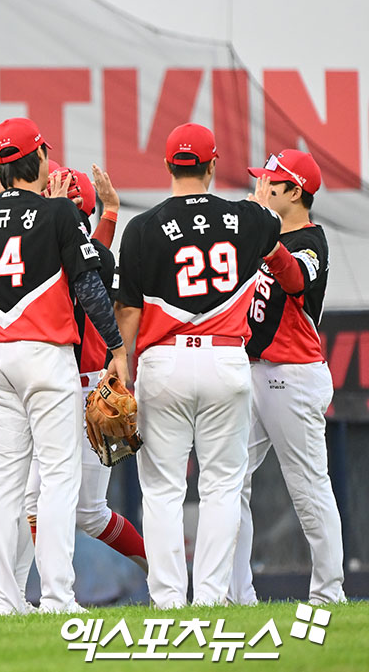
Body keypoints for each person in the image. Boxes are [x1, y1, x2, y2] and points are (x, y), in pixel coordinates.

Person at [114, 122, 282, 609]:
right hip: (226, 360)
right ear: (211, 166)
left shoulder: (143, 227)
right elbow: (272, 228)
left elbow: (129, 309)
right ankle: (210, 598)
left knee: (163, 489)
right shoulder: (248, 219)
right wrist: (255, 204)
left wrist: (119, 362)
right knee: (223, 486)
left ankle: (168, 600)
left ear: (168, 165)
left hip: (163, 362)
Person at [0, 117, 127, 615]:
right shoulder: (59, 214)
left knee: (6, 481)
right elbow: (89, 284)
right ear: (38, 158)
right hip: (44, 354)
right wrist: (117, 347)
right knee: (59, 477)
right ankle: (58, 597)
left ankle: (1, 597)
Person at [230, 149, 344, 606]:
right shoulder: (267, 231)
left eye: (271, 183)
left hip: (292, 376)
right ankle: (237, 595)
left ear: (295, 191)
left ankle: (329, 592)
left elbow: (295, 278)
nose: (262, 187)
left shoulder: (311, 240)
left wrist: (263, 227)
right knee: (229, 480)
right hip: (255, 372)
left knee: (308, 485)